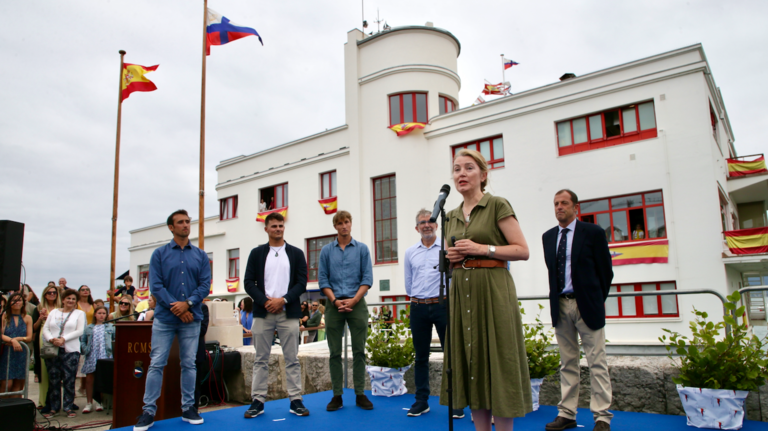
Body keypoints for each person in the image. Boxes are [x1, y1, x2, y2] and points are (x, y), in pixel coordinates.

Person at [440, 148, 532, 431]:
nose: (461, 174)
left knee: (498, 362)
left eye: (468, 168)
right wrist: (451, 257)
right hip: (462, 292)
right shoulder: (450, 215)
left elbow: (522, 250)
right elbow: (447, 256)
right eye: (457, 169)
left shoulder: (497, 205)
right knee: (473, 365)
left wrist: (483, 248)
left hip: (493, 291)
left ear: (483, 174)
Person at [543, 189, 614, 431]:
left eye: (564, 203)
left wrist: (593, 299)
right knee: (567, 363)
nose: (559, 207)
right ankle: (567, 414)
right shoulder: (548, 237)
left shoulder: (593, 232)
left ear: (576, 207)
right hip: (560, 306)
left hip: (587, 306)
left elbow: (606, 272)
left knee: (597, 362)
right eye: (555, 204)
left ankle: (602, 417)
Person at [134, 209, 211, 431]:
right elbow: (156, 286)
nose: (186, 225)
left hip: (192, 317)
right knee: (157, 362)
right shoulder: (159, 254)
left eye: (188, 221)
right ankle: (148, 411)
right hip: (165, 319)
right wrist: (177, 307)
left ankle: (188, 408)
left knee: (189, 363)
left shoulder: (200, 255)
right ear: (171, 227)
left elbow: (205, 284)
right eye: (181, 222)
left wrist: (188, 304)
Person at [243, 212, 309, 418]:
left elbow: (302, 283)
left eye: (281, 225)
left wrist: (284, 300)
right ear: (266, 229)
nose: (278, 229)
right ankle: (258, 401)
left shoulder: (297, 254)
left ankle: (296, 400)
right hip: (263, 313)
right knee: (260, 359)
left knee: (292, 358)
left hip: (288, 312)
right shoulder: (257, 253)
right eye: (274, 226)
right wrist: (265, 301)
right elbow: (248, 282)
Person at [404, 209, 464, 418]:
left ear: (437, 225)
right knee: (421, 357)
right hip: (418, 307)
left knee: (452, 354)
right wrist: (417, 299)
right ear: (417, 228)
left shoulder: (447, 248)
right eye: (422, 223)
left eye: (430, 221)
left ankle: (456, 401)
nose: (427, 225)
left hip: (443, 306)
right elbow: (409, 283)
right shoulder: (410, 252)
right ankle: (422, 401)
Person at [318, 210, 374, 411]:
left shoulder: (362, 249)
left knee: (359, 351)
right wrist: (334, 301)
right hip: (333, 305)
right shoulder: (326, 251)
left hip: (357, 304)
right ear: (335, 226)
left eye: (347, 222)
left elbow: (367, 278)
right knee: (334, 353)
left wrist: (354, 300)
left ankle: (360, 394)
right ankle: (337, 396)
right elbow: (323, 280)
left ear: (351, 224)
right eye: (340, 223)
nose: (344, 226)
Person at [42, 289, 86, 418]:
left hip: (71, 350)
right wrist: (51, 339)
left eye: (73, 299)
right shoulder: (54, 312)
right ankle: (54, 408)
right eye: (68, 298)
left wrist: (63, 339)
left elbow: (79, 331)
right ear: (63, 299)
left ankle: (68, 406)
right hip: (53, 350)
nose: (71, 301)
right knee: (54, 379)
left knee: (69, 379)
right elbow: (46, 328)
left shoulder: (79, 313)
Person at [79, 305, 115, 413]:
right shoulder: (89, 327)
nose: (101, 315)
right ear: (95, 314)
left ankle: (100, 402)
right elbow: (83, 340)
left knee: (102, 379)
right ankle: (89, 402)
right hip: (92, 355)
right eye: (99, 313)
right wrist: (85, 349)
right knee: (90, 379)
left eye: (104, 313)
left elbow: (114, 340)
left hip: (105, 355)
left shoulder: (110, 327)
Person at [0, 292, 33, 398]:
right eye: (13, 300)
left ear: (23, 303)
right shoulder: (4, 317)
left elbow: (29, 337)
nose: (16, 302)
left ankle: (14, 410)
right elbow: (1, 335)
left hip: (21, 354)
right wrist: (12, 341)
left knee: (18, 385)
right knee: (6, 384)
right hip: (7, 353)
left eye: (19, 300)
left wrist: (18, 339)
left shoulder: (27, 318)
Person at [34, 284, 60, 410]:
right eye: (49, 292)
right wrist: (40, 318)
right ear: (45, 294)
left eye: (54, 292)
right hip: (43, 337)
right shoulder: (39, 307)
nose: (52, 294)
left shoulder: (60, 308)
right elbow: (34, 327)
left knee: (58, 370)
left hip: (58, 338)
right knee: (44, 370)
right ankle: (43, 400)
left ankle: (58, 401)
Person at [75, 285, 95, 396]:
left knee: (85, 359)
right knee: (77, 359)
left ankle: (83, 386)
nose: (85, 291)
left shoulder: (93, 305)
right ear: (79, 292)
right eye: (83, 290)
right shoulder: (76, 304)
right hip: (78, 333)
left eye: (87, 289)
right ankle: (75, 386)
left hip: (89, 334)